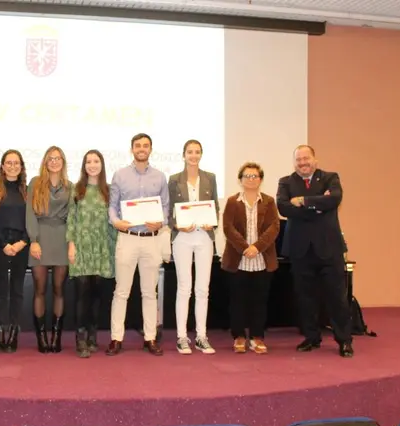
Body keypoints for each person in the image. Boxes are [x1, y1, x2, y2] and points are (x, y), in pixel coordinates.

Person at [277, 145, 353, 358]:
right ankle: (311, 337)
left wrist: (303, 201)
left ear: (315, 160)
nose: (303, 163)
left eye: (306, 158)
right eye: (299, 160)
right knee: (305, 298)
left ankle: (344, 340)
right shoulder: (286, 182)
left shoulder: (330, 178)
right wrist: (319, 205)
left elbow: (334, 199)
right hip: (300, 250)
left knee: (337, 298)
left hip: (329, 248)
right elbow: (283, 207)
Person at [106, 133, 169, 356]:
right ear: (132, 149)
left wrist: (161, 222)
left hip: (151, 240)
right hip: (128, 238)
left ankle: (150, 338)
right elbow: (112, 206)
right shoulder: (120, 175)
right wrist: (115, 221)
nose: (142, 149)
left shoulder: (160, 177)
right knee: (121, 291)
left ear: (150, 149)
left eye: (145, 145)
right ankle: (116, 338)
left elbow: (166, 207)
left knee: (150, 292)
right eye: (138, 145)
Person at [221, 162, 280, 354]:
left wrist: (257, 247)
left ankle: (257, 337)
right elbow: (228, 228)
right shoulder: (232, 201)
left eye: (255, 176)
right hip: (238, 259)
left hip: (262, 259)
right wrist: (246, 248)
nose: (251, 179)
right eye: (247, 176)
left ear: (260, 179)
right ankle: (238, 336)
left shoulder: (269, 201)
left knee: (259, 301)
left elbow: (274, 227)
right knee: (237, 301)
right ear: (240, 180)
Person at [168, 139, 218, 355]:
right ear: (184, 155)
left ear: (201, 154)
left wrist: (212, 222)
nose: (193, 155)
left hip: (204, 236)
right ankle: (181, 337)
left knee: (202, 289)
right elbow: (168, 210)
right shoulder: (174, 179)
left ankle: (201, 336)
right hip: (182, 237)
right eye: (190, 152)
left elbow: (215, 206)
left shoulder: (210, 178)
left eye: (197, 152)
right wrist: (176, 225)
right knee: (184, 287)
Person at [66, 150, 116, 358]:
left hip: (103, 247)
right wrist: (71, 245)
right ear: (84, 165)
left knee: (97, 296)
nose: (92, 165)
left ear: (102, 165)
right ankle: (80, 339)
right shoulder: (76, 189)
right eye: (89, 161)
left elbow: (114, 220)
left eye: (96, 161)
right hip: (82, 247)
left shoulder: (110, 190)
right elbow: (71, 218)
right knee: (82, 295)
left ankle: (93, 335)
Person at [26, 146, 72, 353]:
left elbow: (72, 217)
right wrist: (33, 240)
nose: (54, 161)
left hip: (62, 238)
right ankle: (42, 337)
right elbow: (30, 213)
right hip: (41, 237)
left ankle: (56, 337)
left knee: (59, 289)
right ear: (45, 161)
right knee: (40, 289)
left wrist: (71, 242)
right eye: (50, 158)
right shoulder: (35, 183)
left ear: (63, 162)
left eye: (58, 158)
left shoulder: (70, 186)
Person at [0, 150, 29, 353]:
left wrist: (23, 242)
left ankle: (13, 332)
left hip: (21, 244)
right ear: (2, 166)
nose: (12, 166)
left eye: (16, 163)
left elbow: (32, 220)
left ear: (21, 166)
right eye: (8, 163)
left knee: (17, 289)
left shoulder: (27, 191)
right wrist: (3, 244)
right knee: (1, 289)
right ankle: (1, 331)